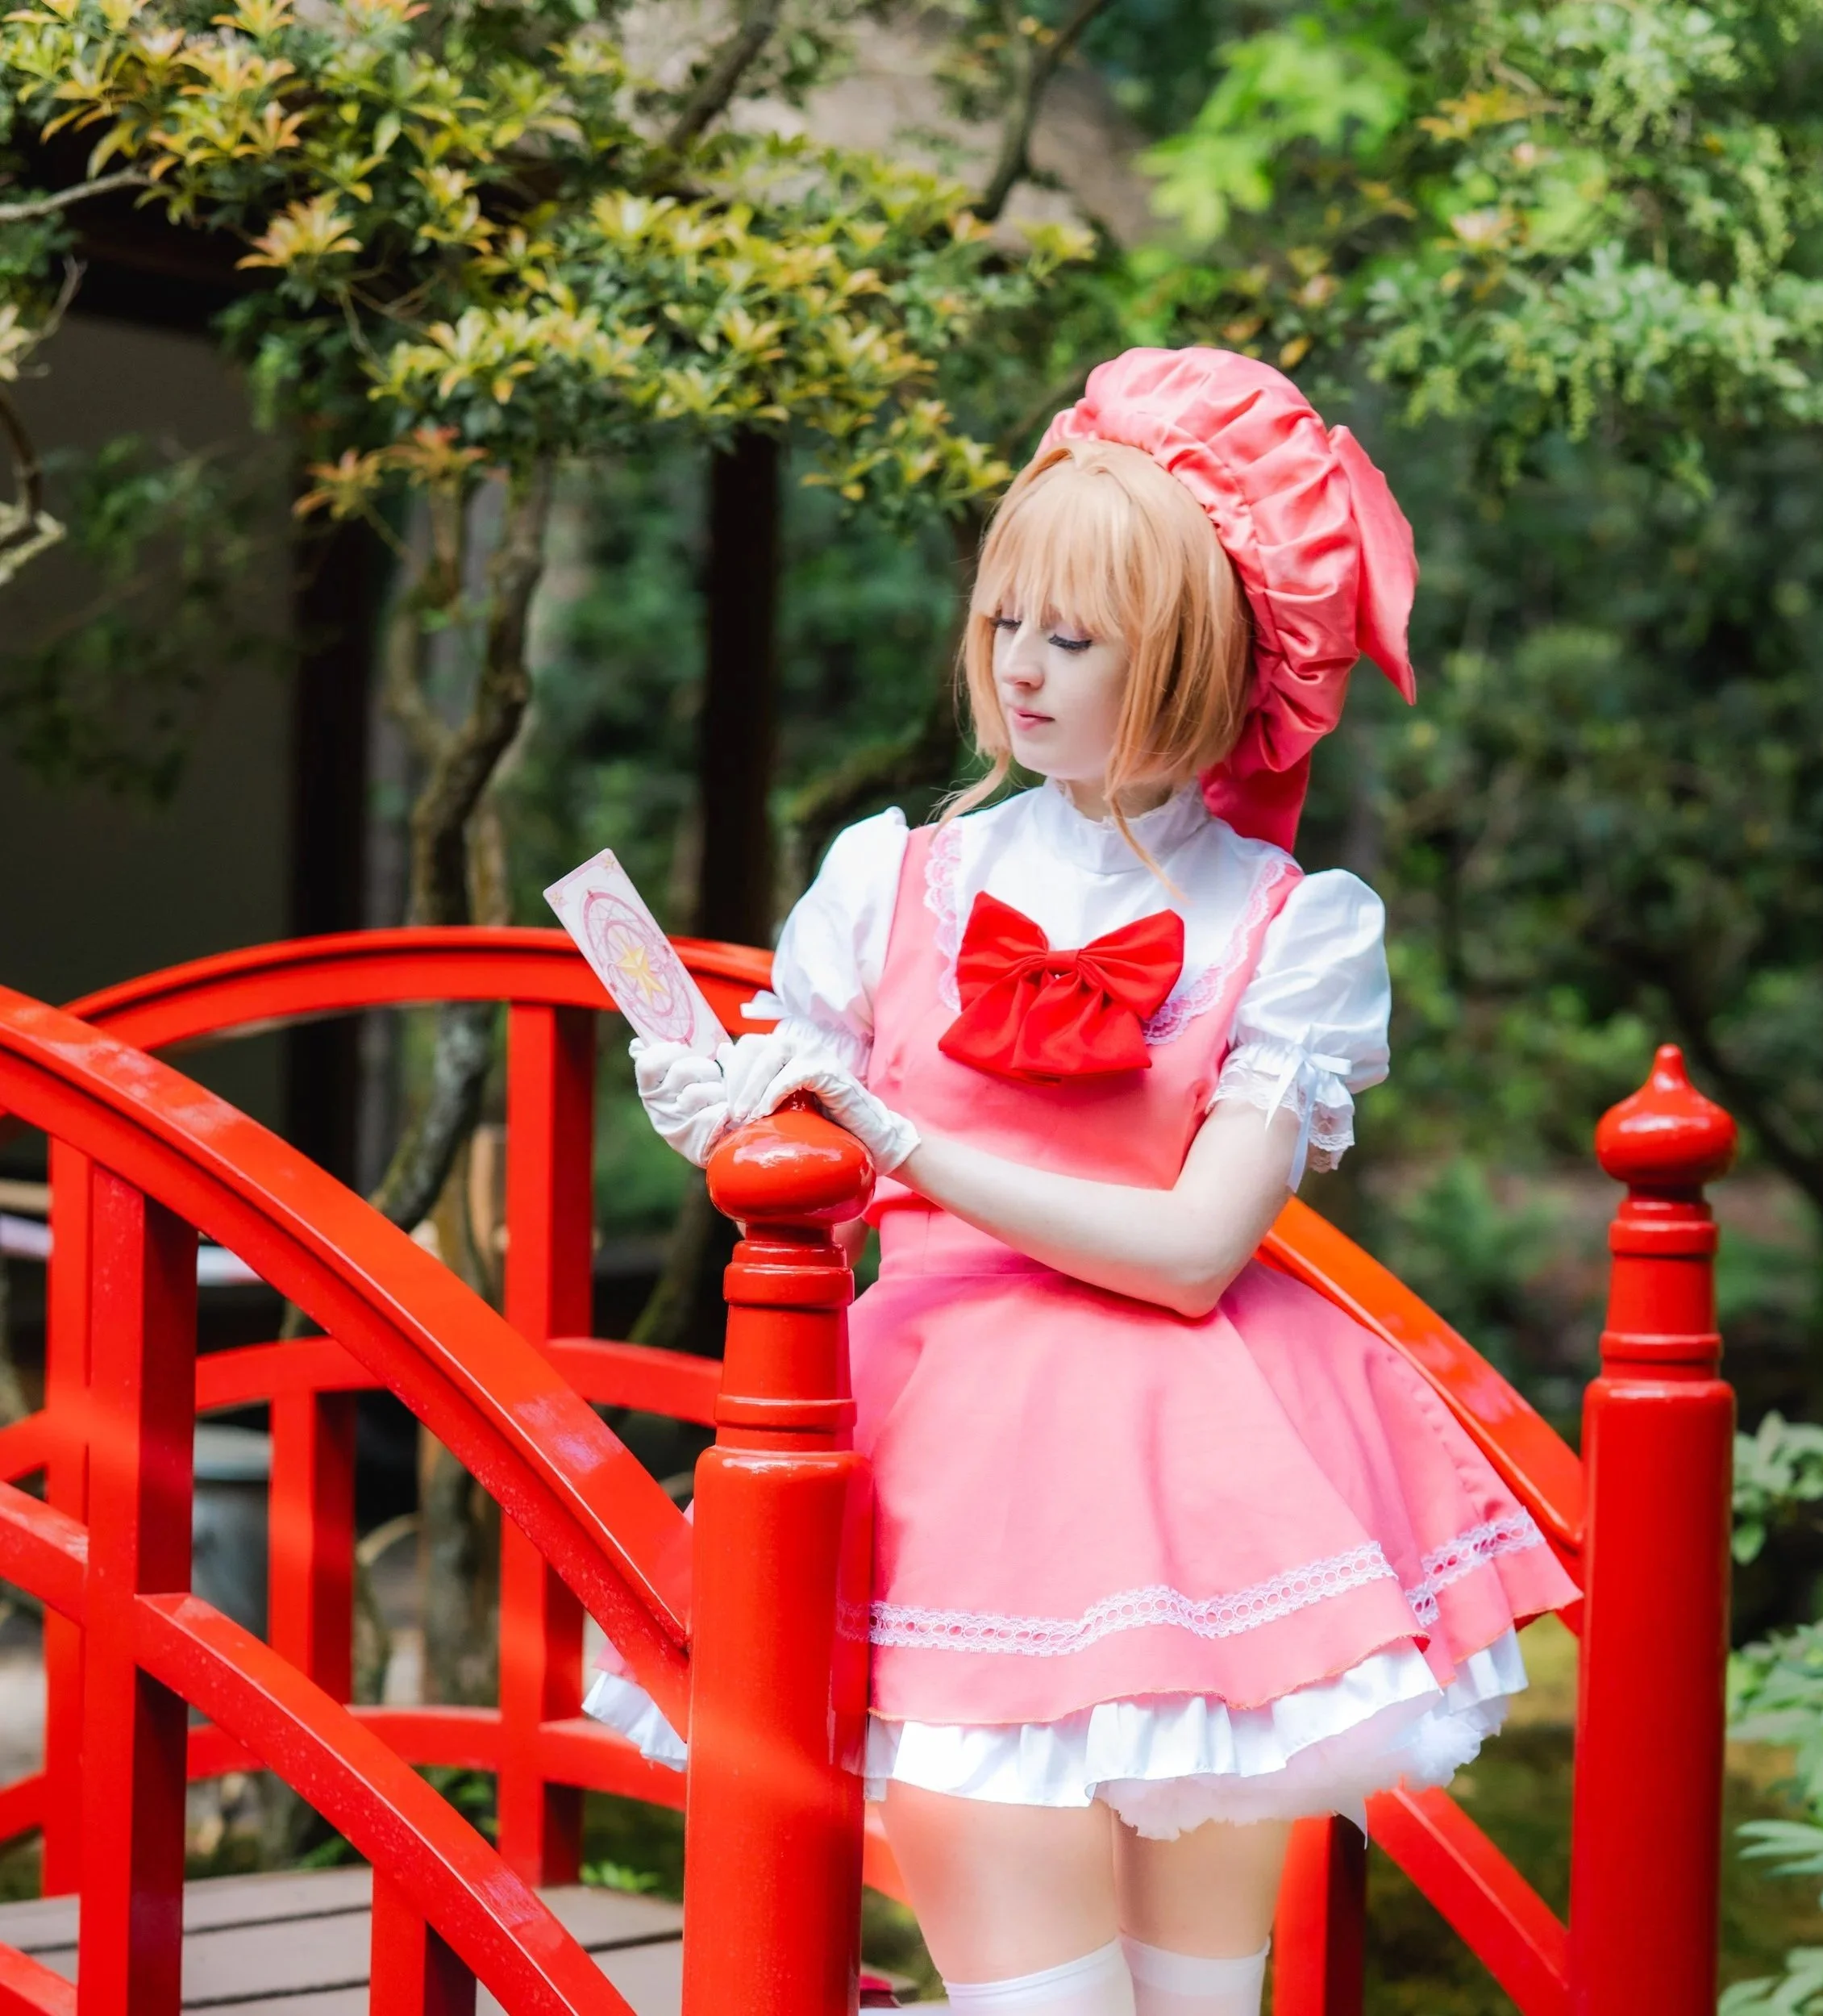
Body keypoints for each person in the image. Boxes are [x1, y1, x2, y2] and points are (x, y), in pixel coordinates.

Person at [584, 347, 1576, 2016]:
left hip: (1201, 1488)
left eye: (1076, 636)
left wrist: (902, 1141)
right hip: (940, 1468)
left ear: (1189, 659)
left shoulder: (1288, 923)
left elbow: (1193, 1250)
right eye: (1005, 623)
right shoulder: (888, 880)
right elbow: (819, 1196)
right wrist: (727, 1124)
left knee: (1199, 2005)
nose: (1021, 669)